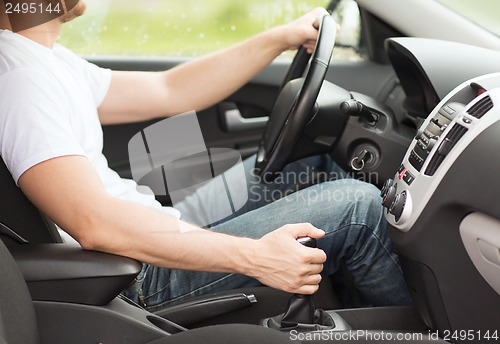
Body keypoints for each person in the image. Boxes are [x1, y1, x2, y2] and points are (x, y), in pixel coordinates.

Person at [0, 0, 411, 312]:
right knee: (360, 208)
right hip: (131, 274)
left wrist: (278, 38)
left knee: (313, 160)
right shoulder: (19, 80)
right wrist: (257, 256)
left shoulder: (44, 60)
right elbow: (94, 223)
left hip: (152, 230)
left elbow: (170, 90)